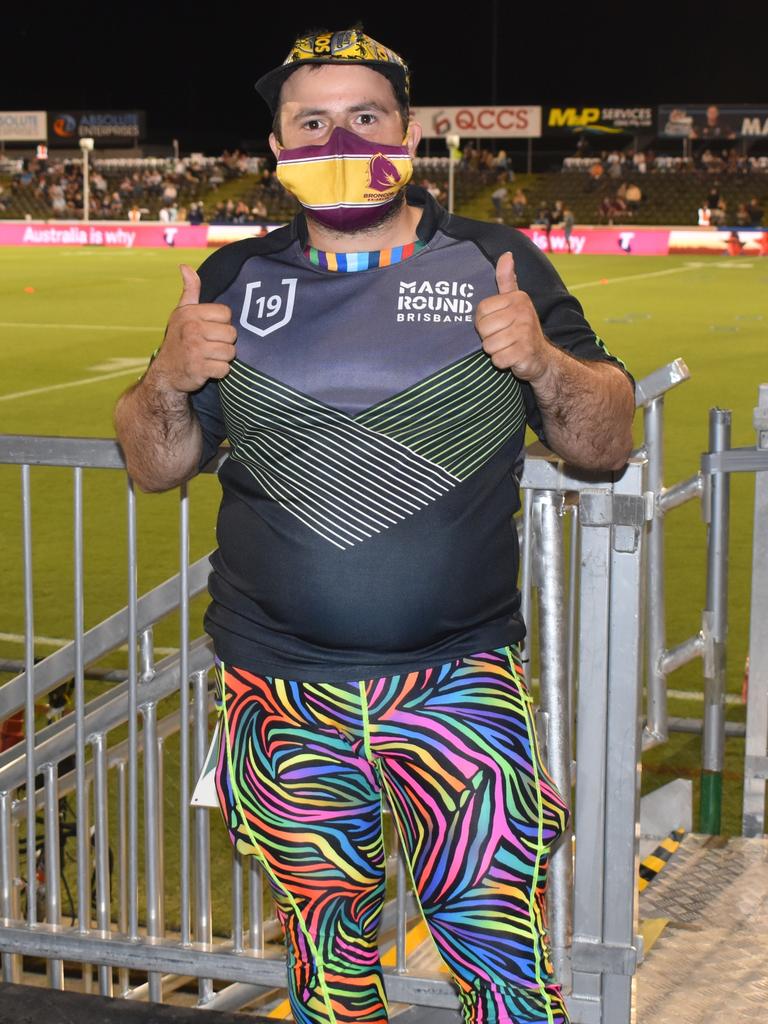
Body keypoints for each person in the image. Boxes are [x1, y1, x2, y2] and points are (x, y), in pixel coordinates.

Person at [114, 26, 634, 1024]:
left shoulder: (495, 260)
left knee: (503, 960)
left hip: (458, 687)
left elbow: (604, 440)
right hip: (278, 693)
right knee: (327, 959)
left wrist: (544, 363)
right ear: (275, 149)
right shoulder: (230, 279)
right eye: (311, 122)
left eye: (364, 116)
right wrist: (166, 379)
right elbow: (156, 460)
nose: (338, 137)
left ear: (409, 134)